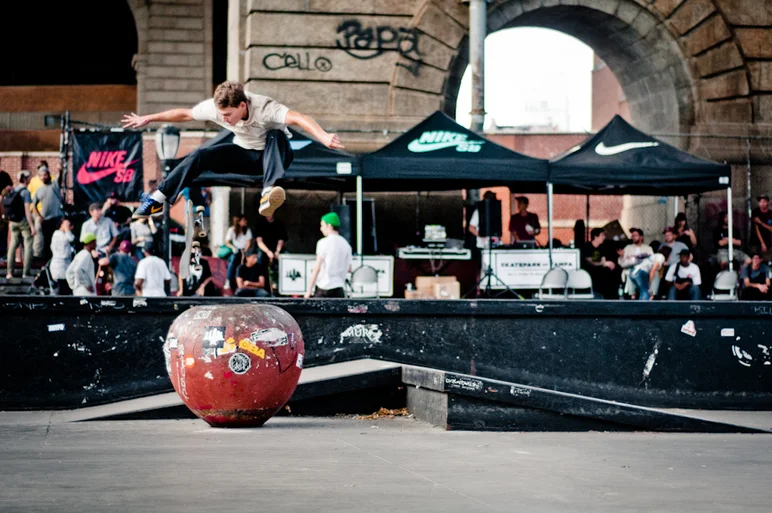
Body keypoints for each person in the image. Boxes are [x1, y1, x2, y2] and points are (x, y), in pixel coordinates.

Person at [122, 81, 344, 219]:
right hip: (246, 157)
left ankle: (268, 191)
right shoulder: (216, 109)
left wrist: (323, 136)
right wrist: (149, 118)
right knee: (200, 155)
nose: (225, 119)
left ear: (242, 105)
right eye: (222, 115)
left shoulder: (265, 108)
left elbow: (298, 117)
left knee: (275, 134)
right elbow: (185, 114)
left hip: (275, 156)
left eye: (228, 115)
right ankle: (159, 199)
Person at [305, 212, 352, 298]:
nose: (321, 229)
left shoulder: (323, 243)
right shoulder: (346, 245)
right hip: (339, 288)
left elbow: (317, 268)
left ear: (329, 226)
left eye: (322, 226)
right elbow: (349, 268)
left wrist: (309, 290)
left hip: (324, 287)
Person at [4, 171, 36, 279]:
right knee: (28, 244)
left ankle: (9, 272)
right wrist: (32, 226)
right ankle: (26, 272)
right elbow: (27, 211)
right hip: (23, 222)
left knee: (12, 246)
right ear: (26, 179)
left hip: (13, 222)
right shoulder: (25, 192)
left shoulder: (14, 190)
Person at [31, 165, 63, 262]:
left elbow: (60, 176)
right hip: (46, 220)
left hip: (56, 218)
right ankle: (46, 262)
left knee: (56, 240)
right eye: (41, 175)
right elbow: (34, 205)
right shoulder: (39, 190)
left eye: (45, 175)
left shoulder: (54, 185)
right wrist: (39, 216)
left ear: (49, 175)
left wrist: (60, 170)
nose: (43, 177)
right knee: (46, 242)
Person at [254, 214, 287, 293]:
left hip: (277, 249)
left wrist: (277, 251)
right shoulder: (260, 223)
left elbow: (281, 239)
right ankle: (262, 285)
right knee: (259, 260)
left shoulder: (279, 223)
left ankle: (283, 287)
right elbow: (259, 241)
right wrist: (268, 252)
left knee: (286, 258)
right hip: (264, 249)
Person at [581, 228, 617, 299]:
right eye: (602, 235)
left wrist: (607, 264)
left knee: (609, 272)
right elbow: (592, 262)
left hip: (598, 272)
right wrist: (604, 263)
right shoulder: (587, 246)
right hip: (587, 273)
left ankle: (610, 296)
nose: (604, 237)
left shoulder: (601, 247)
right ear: (595, 236)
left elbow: (603, 261)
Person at [618, 228, 653, 298]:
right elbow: (622, 263)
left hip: (643, 272)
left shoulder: (648, 248)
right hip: (630, 271)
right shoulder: (628, 248)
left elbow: (651, 262)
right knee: (631, 273)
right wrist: (622, 256)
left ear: (641, 237)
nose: (633, 237)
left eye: (635, 235)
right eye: (632, 236)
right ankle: (634, 295)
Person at [27, 162, 49, 258]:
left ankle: (35, 253)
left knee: (35, 232)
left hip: (35, 210)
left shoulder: (34, 180)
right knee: (38, 232)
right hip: (39, 211)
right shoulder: (35, 180)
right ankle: (37, 254)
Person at [224, 214, 253, 290]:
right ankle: (228, 280)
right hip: (236, 250)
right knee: (233, 260)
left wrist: (244, 251)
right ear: (239, 222)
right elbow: (227, 242)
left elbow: (248, 242)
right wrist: (233, 247)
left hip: (245, 250)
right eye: (244, 220)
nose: (246, 221)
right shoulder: (232, 230)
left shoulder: (247, 230)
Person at [49, 218, 75, 295]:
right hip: (59, 265)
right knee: (61, 288)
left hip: (66, 264)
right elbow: (71, 239)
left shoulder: (65, 234)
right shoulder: (57, 234)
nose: (70, 227)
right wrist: (66, 229)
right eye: (68, 225)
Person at [751, 194, 772, 261]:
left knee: (767, 260)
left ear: (767, 203)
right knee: (756, 259)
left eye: (764, 201)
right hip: (756, 241)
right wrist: (762, 243)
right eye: (760, 202)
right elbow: (756, 228)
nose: (762, 203)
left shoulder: (770, 213)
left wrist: (761, 222)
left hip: (768, 241)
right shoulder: (755, 212)